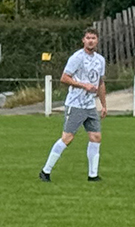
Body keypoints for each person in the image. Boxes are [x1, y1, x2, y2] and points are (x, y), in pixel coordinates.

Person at [43, 28, 106, 182]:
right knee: (67, 138)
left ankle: (93, 175)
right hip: (75, 103)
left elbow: (100, 82)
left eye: (93, 38)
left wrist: (103, 104)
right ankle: (46, 171)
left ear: (97, 40)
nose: (91, 40)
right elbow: (64, 78)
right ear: (83, 40)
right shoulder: (77, 57)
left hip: (90, 105)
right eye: (88, 38)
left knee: (96, 136)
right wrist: (83, 85)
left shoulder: (100, 60)